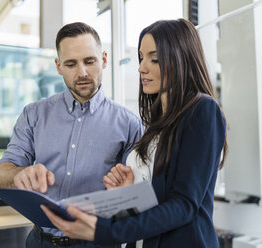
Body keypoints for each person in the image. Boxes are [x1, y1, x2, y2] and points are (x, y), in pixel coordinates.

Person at [41, 18, 228, 248]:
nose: (141, 67)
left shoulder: (203, 110)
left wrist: (103, 231)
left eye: (155, 59)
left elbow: (184, 205)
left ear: (180, 59)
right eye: (141, 58)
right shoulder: (158, 120)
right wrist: (130, 194)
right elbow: (158, 200)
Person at [0, 22, 143, 248]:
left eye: (89, 61)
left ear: (103, 59)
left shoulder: (129, 124)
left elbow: (136, 199)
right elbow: (1, 175)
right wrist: (20, 174)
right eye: (71, 64)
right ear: (58, 66)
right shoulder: (34, 114)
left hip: (97, 243)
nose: (82, 72)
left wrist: (125, 196)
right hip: (40, 241)